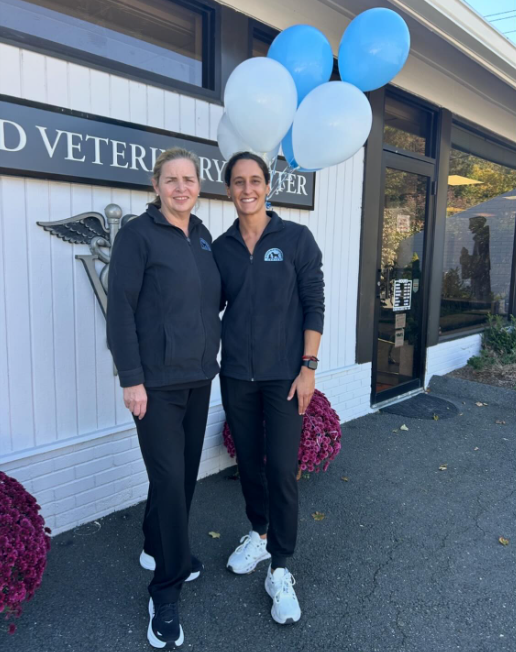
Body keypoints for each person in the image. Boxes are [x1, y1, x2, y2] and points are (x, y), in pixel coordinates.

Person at [106, 147, 221, 649]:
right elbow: (120, 311)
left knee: (181, 476)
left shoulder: (203, 237)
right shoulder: (137, 235)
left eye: (188, 179)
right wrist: (131, 378)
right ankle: (165, 588)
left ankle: (157, 545)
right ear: (155, 185)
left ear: (198, 186)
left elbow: (210, 301)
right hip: (154, 385)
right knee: (170, 481)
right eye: (171, 179)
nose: (181, 187)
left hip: (198, 378)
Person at [212, 152, 324, 625]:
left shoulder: (296, 238)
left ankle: (280, 566)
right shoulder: (221, 247)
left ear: (268, 187)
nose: (247, 189)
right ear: (229, 190)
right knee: (249, 464)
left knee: (280, 468)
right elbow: (208, 305)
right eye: (238, 182)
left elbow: (314, 302)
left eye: (255, 180)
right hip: (237, 374)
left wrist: (308, 367)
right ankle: (258, 535)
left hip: (284, 378)